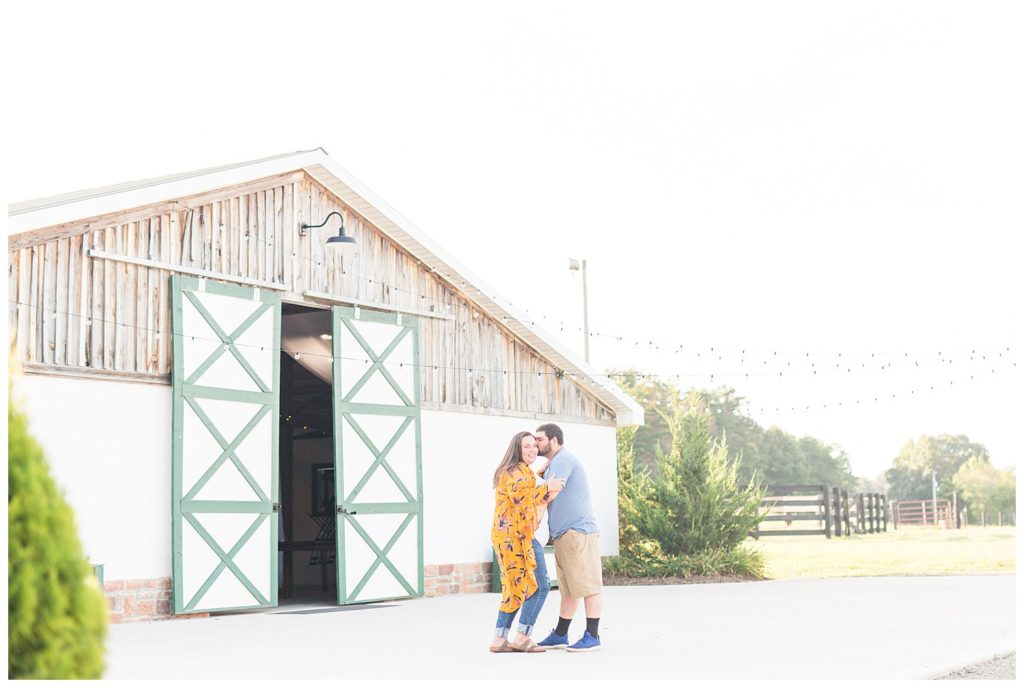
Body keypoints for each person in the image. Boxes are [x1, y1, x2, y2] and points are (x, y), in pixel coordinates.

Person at [489, 431, 565, 653]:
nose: (532, 450)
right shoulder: (514, 472)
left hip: (511, 537)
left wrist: (546, 488)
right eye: (527, 446)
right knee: (539, 585)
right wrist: (547, 485)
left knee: (515, 587)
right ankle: (522, 637)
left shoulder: (520, 471)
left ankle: (499, 639)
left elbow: (528, 497)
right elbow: (521, 494)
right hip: (517, 538)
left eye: (534, 445)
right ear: (517, 449)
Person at [534, 423, 603, 652]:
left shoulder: (562, 460)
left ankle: (592, 636)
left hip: (577, 533)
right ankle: (561, 634)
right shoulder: (556, 462)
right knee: (570, 589)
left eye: (540, 439)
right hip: (565, 535)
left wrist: (532, 512)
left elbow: (551, 491)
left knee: (589, 585)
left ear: (554, 440)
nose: (536, 444)